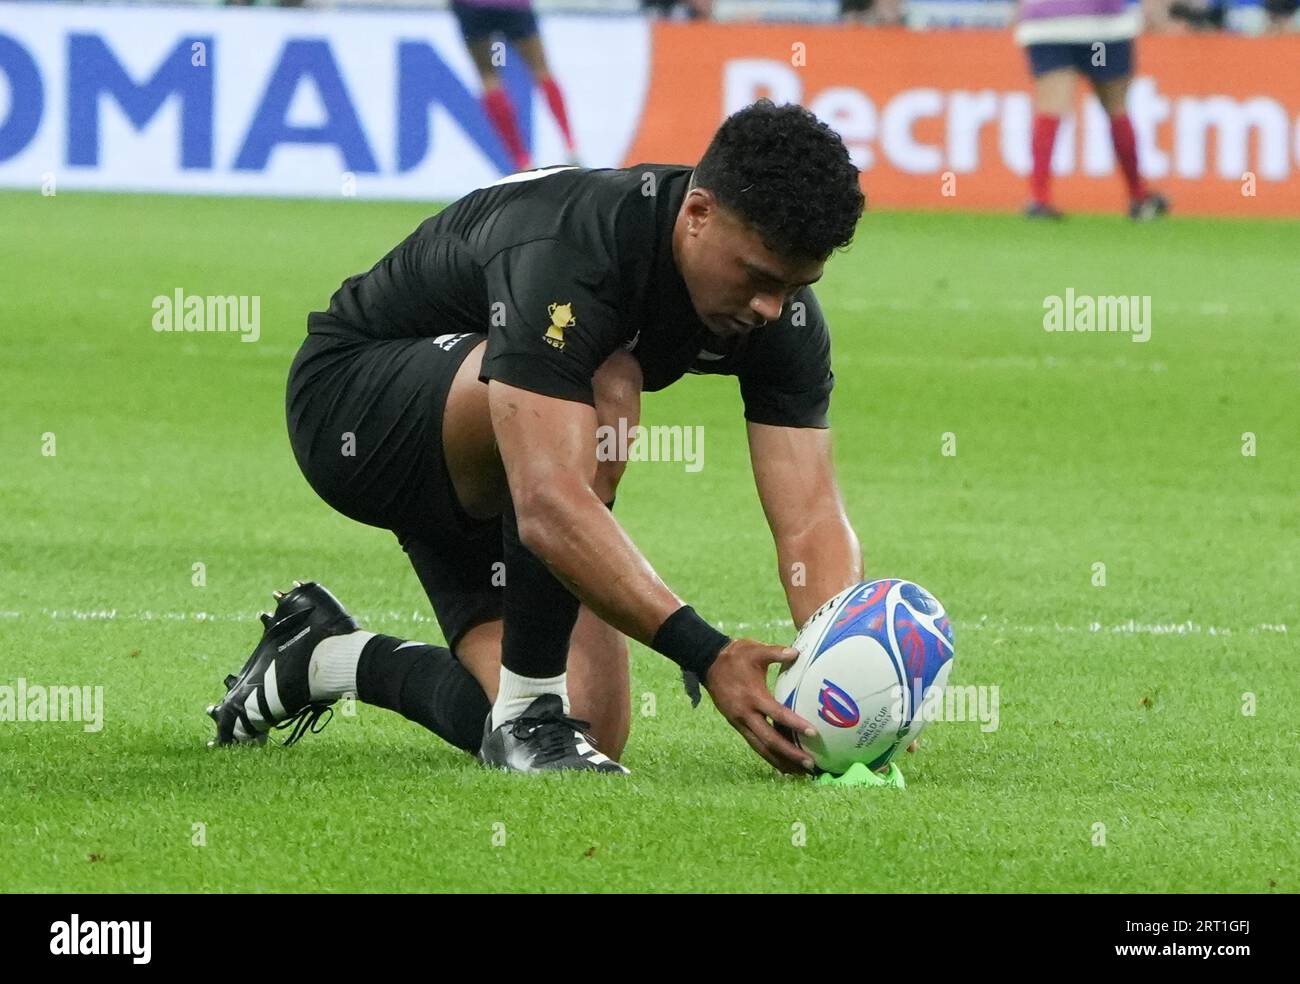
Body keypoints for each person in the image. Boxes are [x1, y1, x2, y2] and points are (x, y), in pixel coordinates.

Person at [207, 100, 868, 776]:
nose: (771, 307)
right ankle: (528, 712)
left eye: (795, 286)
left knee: (593, 733)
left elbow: (810, 515)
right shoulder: (579, 249)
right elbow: (550, 503)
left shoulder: (776, 313)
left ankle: (320, 657)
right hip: (355, 405)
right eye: (758, 276)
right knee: (607, 384)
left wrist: (846, 679)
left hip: (502, 454)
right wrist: (708, 652)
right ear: (697, 214)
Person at [1015, 0, 1169, 219]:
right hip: (1101, 31)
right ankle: (1139, 197)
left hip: (1047, 25)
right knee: (1116, 107)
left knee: (1050, 108)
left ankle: (1040, 199)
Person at [451, 0, 577, 170]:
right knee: (541, 69)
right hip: (513, 5)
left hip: (474, 7)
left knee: (489, 77)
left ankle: (522, 161)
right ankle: (570, 146)